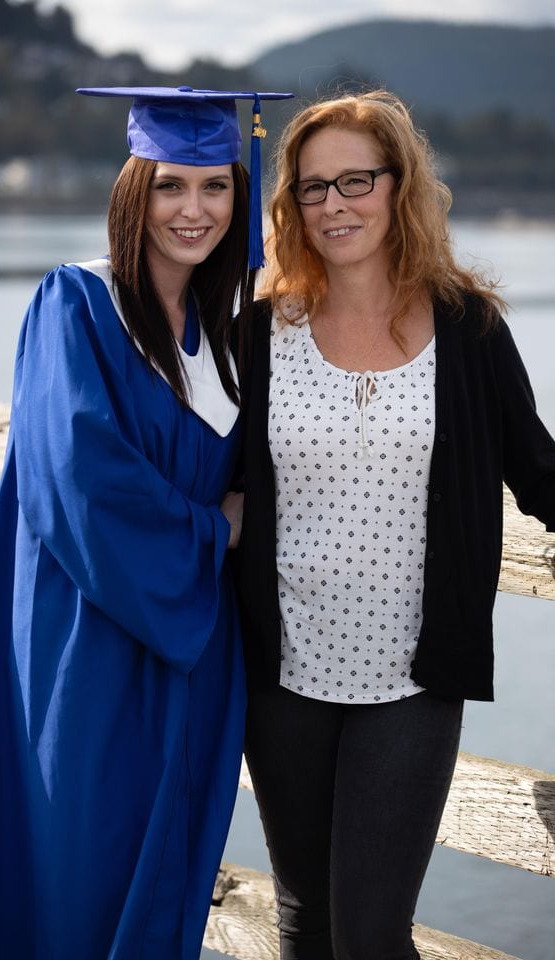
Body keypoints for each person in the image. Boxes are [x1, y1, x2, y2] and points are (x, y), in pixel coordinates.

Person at [0, 85, 291, 960]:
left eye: (216, 186)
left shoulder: (230, 334)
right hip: (94, 642)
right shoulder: (78, 305)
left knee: (171, 880)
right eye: (170, 186)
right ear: (133, 190)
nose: (195, 210)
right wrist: (213, 535)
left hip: (196, 654)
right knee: (83, 871)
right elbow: (79, 478)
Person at [234, 89, 555, 960]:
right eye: (312, 188)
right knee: (307, 928)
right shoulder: (260, 334)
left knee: (371, 936)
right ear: (290, 204)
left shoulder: (470, 328)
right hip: (282, 676)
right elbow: (209, 476)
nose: (334, 205)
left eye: (355, 181)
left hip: (411, 681)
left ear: (399, 185)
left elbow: (540, 472)